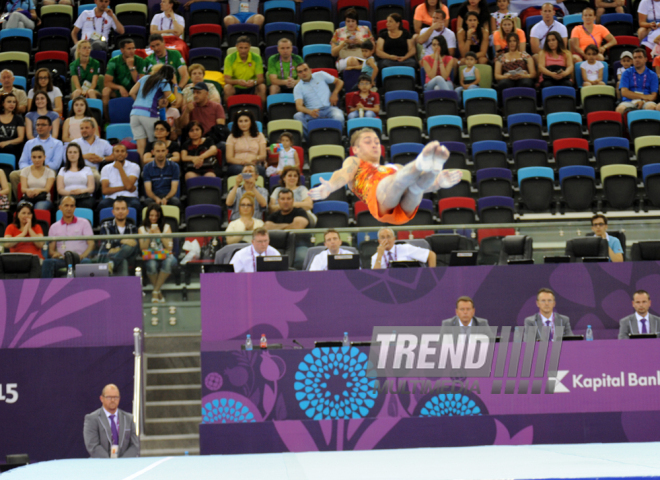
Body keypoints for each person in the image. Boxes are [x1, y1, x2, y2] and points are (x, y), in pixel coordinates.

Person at [310, 129, 461, 225]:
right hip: (380, 200)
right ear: (355, 149)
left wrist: (438, 183)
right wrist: (330, 186)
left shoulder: (395, 167)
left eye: (377, 141)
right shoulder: (355, 161)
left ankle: (434, 168)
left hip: (402, 212)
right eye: (368, 142)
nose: (375, 145)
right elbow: (344, 173)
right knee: (396, 182)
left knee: (416, 188)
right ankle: (421, 162)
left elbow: (425, 185)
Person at [129, 64, 177, 160]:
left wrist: (139, 104)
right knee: (155, 144)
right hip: (149, 114)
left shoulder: (145, 78)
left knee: (141, 147)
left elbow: (131, 92)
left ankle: (142, 170)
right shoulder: (164, 82)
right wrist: (175, 85)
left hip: (134, 114)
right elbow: (173, 100)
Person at [41, 196, 95, 278]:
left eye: (71, 206)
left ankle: (87, 290)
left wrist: (82, 256)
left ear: (74, 208)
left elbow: (91, 244)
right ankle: (45, 289)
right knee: (48, 263)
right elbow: (51, 250)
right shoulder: (54, 227)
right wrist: (56, 254)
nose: (69, 208)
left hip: (81, 259)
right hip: (62, 260)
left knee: (86, 262)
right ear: (60, 208)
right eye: (66, 205)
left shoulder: (84, 223)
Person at [13, 116, 63, 199]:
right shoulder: (29, 143)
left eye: (43, 125)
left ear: (50, 127)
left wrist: (40, 167)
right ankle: (19, 200)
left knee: (55, 175)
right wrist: (31, 169)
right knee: (13, 175)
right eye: (38, 125)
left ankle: (50, 200)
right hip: (30, 169)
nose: (40, 127)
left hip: (48, 170)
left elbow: (56, 164)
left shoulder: (57, 143)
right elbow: (22, 162)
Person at [83, 384, 139, 458]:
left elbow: (135, 445)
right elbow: (93, 446)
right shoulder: (92, 419)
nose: (113, 400)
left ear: (119, 398)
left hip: (125, 464)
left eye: (116, 397)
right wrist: (110, 462)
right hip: (100, 464)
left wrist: (122, 462)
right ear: (101, 398)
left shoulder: (129, 418)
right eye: (109, 397)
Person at [293, 63, 345, 141]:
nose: (303, 73)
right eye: (300, 72)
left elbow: (340, 82)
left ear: (310, 70)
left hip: (329, 108)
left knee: (339, 116)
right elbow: (298, 106)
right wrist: (310, 112)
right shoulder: (298, 88)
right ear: (298, 75)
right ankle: (311, 139)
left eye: (305, 70)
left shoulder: (321, 75)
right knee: (297, 116)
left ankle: (336, 139)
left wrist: (334, 93)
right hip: (313, 112)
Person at [139, 204, 177, 303]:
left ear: (160, 216)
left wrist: (159, 233)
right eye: (151, 215)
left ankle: (155, 291)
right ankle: (158, 292)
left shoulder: (166, 227)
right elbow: (143, 248)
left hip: (165, 255)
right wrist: (149, 234)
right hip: (150, 255)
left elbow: (169, 247)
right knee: (151, 265)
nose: (154, 218)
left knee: (168, 262)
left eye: (156, 216)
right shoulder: (142, 229)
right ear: (147, 216)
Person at [265, 188, 310, 269]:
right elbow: (267, 228)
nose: (285, 201)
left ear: (293, 200)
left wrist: (277, 228)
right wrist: (290, 225)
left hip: (299, 245)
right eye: (282, 199)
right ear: (278, 201)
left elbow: (297, 227)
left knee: (302, 258)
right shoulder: (273, 215)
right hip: (279, 247)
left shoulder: (300, 212)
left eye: (288, 199)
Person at [102, 39, 146, 119]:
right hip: (118, 91)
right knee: (105, 91)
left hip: (135, 91)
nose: (132, 51)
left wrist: (131, 67)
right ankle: (107, 120)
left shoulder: (140, 61)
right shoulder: (113, 61)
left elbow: (140, 82)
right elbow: (107, 83)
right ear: (122, 50)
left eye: (133, 48)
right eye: (129, 49)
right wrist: (120, 87)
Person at [98, 198, 139, 275]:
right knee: (123, 260)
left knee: (129, 248)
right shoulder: (106, 225)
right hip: (107, 256)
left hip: (127, 258)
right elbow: (107, 244)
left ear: (127, 211)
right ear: (113, 212)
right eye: (117, 209)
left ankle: (112, 263)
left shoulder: (132, 227)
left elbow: (134, 246)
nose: (120, 211)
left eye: (123, 209)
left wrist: (116, 247)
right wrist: (122, 241)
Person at [97, 144, 142, 216]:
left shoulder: (134, 166)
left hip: (130, 197)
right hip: (111, 197)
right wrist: (125, 188)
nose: (120, 153)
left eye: (122, 151)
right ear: (113, 154)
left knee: (136, 206)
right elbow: (105, 191)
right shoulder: (106, 168)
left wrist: (120, 168)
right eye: (117, 151)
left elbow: (129, 186)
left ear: (126, 154)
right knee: (101, 206)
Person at [223, 36, 267, 108]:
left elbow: (261, 79)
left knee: (262, 87)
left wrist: (254, 82)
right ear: (236, 47)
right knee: (227, 88)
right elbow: (226, 80)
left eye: (246, 48)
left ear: (249, 47)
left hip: (252, 86)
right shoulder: (229, 58)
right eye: (241, 48)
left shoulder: (256, 58)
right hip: (236, 86)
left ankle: (261, 113)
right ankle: (228, 113)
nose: (243, 51)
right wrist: (237, 82)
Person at [331, 8, 375, 73]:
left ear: (356, 21)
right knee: (352, 60)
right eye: (348, 21)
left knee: (365, 62)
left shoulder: (365, 30)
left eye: (353, 21)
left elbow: (373, 48)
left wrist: (361, 43)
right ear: (345, 22)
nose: (350, 24)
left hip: (363, 59)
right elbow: (333, 53)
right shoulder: (338, 32)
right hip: (344, 60)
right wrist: (343, 43)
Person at [616, 48, 659, 113]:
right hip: (629, 101)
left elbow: (654, 96)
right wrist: (643, 97)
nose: (637, 60)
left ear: (645, 59)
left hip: (646, 102)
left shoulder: (652, 75)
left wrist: (643, 101)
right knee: (620, 109)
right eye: (635, 58)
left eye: (639, 57)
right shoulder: (626, 73)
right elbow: (624, 92)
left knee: (651, 107)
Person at [225, 109, 268, 177]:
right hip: (237, 165)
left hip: (254, 164)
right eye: (240, 121)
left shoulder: (259, 135)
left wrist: (253, 159)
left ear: (251, 122)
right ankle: (247, 183)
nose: (243, 124)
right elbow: (229, 158)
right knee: (240, 170)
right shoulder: (231, 137)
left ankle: (252, 184)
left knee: (259, 170)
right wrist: (244, 162)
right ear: (237, 123)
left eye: (246, 121)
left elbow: (263, 155)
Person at [72, 118, 113, 185]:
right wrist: (83, 156)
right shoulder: (75, 142)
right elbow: (66, 158)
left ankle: (93, 195)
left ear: (94, 130)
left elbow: (115, 155)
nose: (84, 130)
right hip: (77, 169)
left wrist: (102, 159)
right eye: (82, 128)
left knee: (96, 177)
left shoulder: (103, 143)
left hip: (93, 170)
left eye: (87, 128)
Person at [371, 227, 437, 268]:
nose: (386, 240)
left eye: (388, 236)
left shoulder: (405, 248)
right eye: (383, 237)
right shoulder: (375, 257)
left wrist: (431, 275)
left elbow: (431, 255)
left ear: (394, 239)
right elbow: (375, 277)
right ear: (379, 241)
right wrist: (379, 255)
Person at [57, 143, 96, 210]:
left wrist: (80, 191)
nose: (72, 154)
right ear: (67, 154)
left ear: (79, 154)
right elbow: (60, 189)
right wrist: (70, 193)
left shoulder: (87, 169)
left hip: (84, 196)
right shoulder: (62, 170)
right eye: (70, 152)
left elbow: (91, 188)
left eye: (75, 152)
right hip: (67, 197)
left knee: (85, 205)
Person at [142, 140, 181, 208]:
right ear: (152, 152)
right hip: (154, 197)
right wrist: (156, 199)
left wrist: (166, 198)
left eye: (163, 151)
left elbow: (174, 189)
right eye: (158, 151)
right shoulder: (147, 167)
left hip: (169, 196)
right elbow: (148, 190)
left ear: (167, 152)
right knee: (147, 202)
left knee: (176, 202)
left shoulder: (174, 166)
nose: (160, 154)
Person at [19, 146, 54, 211]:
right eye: (34, 157)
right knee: (23, 208)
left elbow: (47, 189)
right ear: (31, 158)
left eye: (39, 157)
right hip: (28, 197)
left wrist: (39, 190)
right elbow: (23, 189)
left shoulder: (50, 172)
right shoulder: (25, 171)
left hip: (44, 199)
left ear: (44, 157)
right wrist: (28, 191)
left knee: (39, 207)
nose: (37, 160)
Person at [0, 93, 26, 160]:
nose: (12, 104)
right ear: (3, 103)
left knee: (9, 148)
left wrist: (6, 143)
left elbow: (21, 138)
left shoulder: (18, 118)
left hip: (13, 147)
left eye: (14, 102)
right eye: (9, 102)